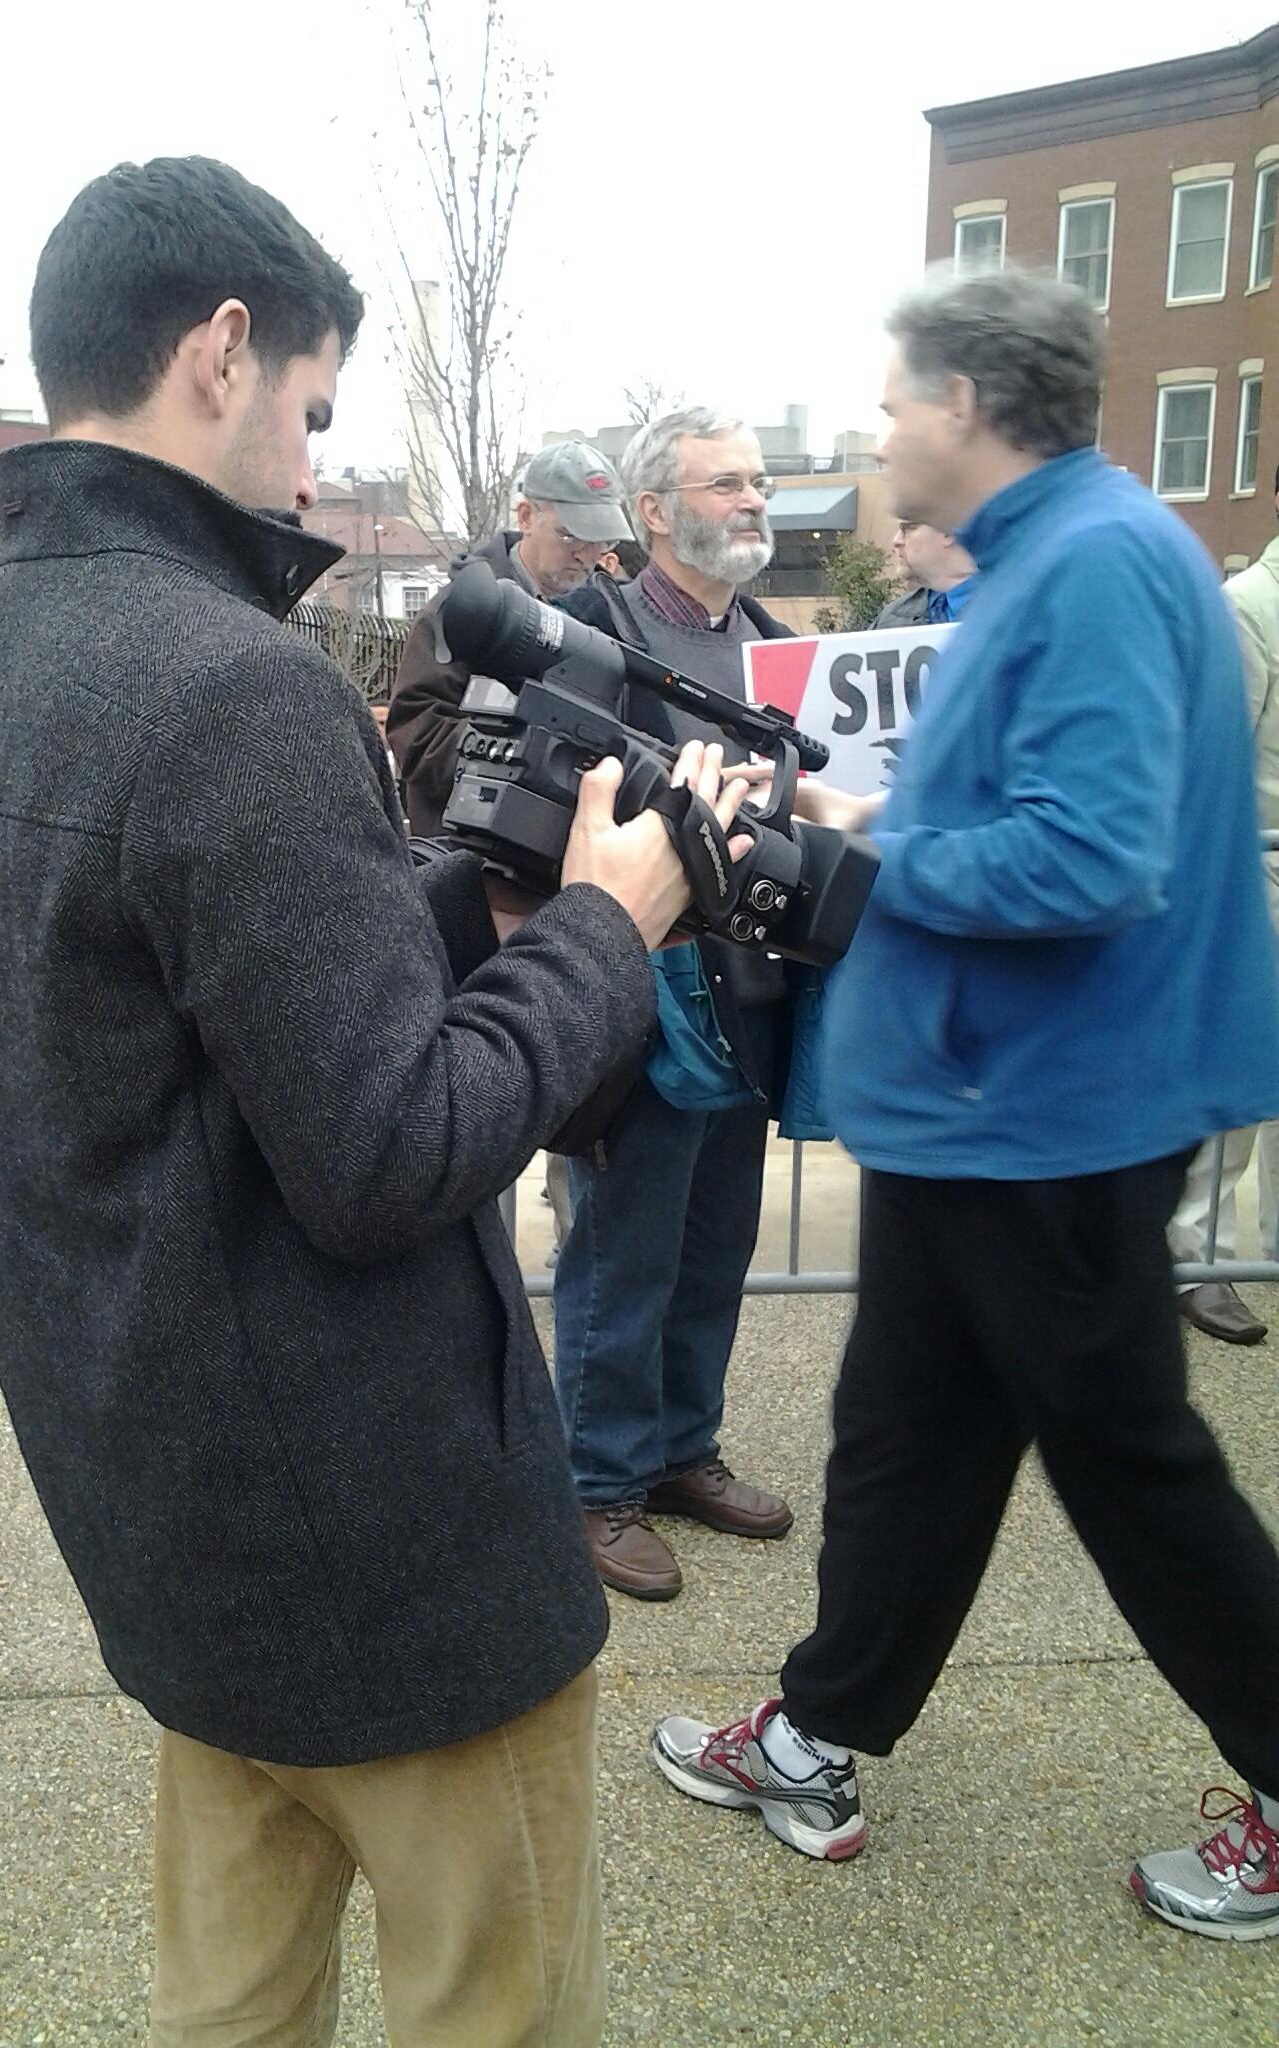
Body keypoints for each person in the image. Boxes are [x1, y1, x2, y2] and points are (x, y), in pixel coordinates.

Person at [0, 156, 748, 2045]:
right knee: (498, 2005)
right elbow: (389, 1151)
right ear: (221, 351)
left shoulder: (6, 647)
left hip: (171, 1510)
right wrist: (609, 929)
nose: (310, 466)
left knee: (234, 2003)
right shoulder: (232, 680)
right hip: (382, 1545)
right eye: (310, 409)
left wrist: (470, 909)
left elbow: (186, 1015)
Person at [650, 269, 1279, 1942]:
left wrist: (846, 868)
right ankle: (815, 1735)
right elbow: (1015, 803)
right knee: (909, 1440)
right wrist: (848, 812)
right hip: (990, 1111)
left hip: (1054, 1114)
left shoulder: (1091, 564)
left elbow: (1089, 857)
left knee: (1131, 1465)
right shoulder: (1056, 554)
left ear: (968, 403)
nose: (877, 432)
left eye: (892, 402)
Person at [550, 408, 799, 1602]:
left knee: (714, 1242)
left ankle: (682, 1448)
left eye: (760, 481)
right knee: (624, 1247)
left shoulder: (777, 649)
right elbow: (550, 779)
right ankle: (597, 1483)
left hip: (749, 990)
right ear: (653, 510)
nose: (754, 499)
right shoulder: (594, 630)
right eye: (725, 481)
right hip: (639, 991)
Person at [385, 440, 632, 836]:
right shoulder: (462, 612)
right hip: (471, 854)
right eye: (571, 536)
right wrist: (529, 753)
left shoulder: (612, 615)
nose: (587, 555)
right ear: (526, 516)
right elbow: (417, 735)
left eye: (602, 540)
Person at [1169, 463, 1279, 1344]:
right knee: (1239, 1081)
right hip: (1261, 872)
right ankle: (1194, 1257)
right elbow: (1216, 755)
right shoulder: (1246, 606)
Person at [875, 518, 977, 626]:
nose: (896, 540)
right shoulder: (892, 619)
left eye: (908, 528)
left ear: (948, 532)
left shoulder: (991, 610)